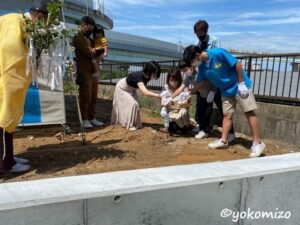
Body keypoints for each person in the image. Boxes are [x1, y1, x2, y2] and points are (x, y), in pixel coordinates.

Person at [183, 45, 265, 158]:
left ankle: (257, 143)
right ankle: (224, 140)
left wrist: (241, 84)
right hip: (225, 90)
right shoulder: (202, 67)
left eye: (191, 61)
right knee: (227, 115)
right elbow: (201, 82)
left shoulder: (218, 53)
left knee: (249, 112)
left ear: (197, 55)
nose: (192, 65)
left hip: (239, 85)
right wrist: (189, 92)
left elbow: (237, 64)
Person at [0, 0, 49, 173]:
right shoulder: (18, 22)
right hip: (8, 76)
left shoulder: (10, 18)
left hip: (6, 74)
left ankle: (8, 156)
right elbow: (10, 47)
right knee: (5, 119)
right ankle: (6, 165)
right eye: (43, 20)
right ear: (40, 16)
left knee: (8, 119)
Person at [193, 19, 235, 141]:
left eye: (200, 32)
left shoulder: (215, 41)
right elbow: (199, 63)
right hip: (204, 78)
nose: (198, 35)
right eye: (196, 33)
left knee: (222, 106)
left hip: (215, 78)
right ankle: (203, 129)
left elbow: (218, 60)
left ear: (206, 31)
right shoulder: (197, 44)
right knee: (203, 106)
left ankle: (230, 133)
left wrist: (214, 87)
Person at [73, 16, 104, 129]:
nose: (91, 29)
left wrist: (101, 50)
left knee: (93, 96)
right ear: (83, 25)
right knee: (86, 95)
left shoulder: (90, 40)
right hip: (84, 71)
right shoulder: (78, 38)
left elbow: (97, 50)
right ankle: (84, 118)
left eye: (92, 27)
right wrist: (101, 50)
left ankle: (92, 117)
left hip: (93, 72)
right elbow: (89, 52)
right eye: (89, 26)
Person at [111, 61, 161, 130]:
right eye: (154, 73)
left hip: (131, 89)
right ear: (149, 71)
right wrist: (159, 96)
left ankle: (135, 123)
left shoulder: (148, 77)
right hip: (122, 88)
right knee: (133, 104)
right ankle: (128, 124)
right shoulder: (139, 76)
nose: (155, 75)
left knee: (136, 105)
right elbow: (145, 92)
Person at [160, 68, 191, 133]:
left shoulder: (184, 88)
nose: (173, 83)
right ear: (168, 79)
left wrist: (181, 104)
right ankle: (171, 125)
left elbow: (189, 104)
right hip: (170, 113)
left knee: (184, 112)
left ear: (179, 80)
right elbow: (162, 103)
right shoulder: (165, 88)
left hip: (180, 113)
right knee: (171, 127)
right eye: (171, 80)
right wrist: (165, 104)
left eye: (176, 80)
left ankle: (185, 126)